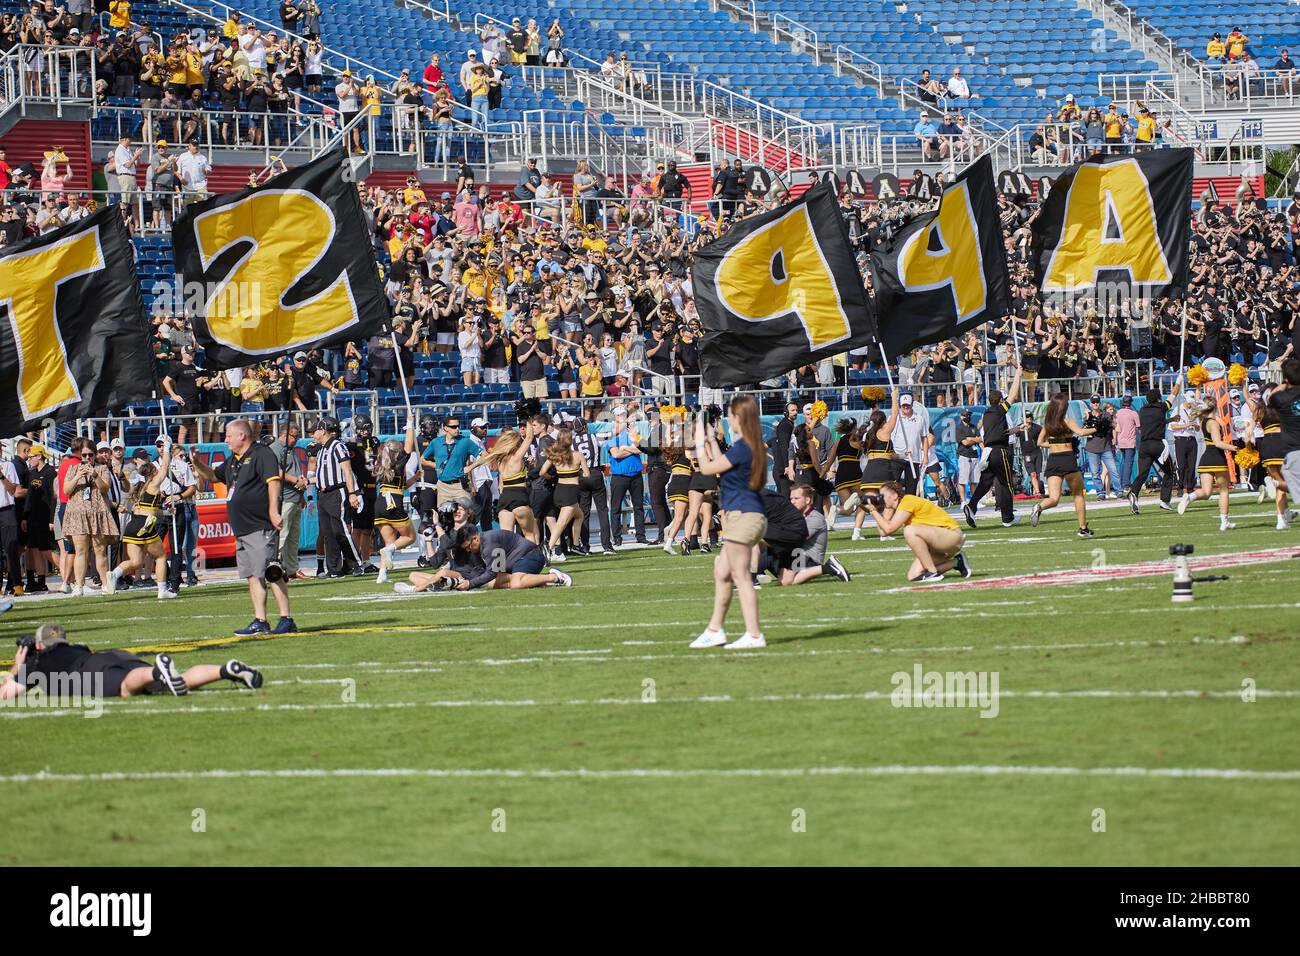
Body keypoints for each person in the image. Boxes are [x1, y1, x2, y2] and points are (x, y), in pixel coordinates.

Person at [192, 419, 295, 635]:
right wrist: (197, 462)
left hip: (260, 524)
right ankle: (260, 620)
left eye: (229, 436)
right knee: (252, 575)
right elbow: (212, 476)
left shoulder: (262, 454)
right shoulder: (233, 460)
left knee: (271, 571)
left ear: (242, 436)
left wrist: (273, 511)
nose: (226, 440)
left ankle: (286, 619)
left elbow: (273, 481)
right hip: (242, 528)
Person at [1, 623, 261, 702]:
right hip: (110, 656)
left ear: (38, 645)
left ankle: (157, 671)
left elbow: (7, 694)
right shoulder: (76, 647)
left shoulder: (39, 664)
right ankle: (225, 670)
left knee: (127, 687)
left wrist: (19, 664)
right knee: (175, 682)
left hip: (89, 670)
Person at [690, 396, 768, 649]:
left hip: (742, 516)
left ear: (738, 418)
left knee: (741, 576)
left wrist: (700, 443)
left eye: (730, 415)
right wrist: (711, 439)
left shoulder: (744, 447)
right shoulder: (748, 446)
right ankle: (715, 630)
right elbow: (724, 467)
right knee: (722, 572)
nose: (728, 420)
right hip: (747, 514)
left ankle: (754, 635)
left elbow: (708, 469)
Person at [105, 437, 177, 599]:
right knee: (160, 556)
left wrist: (166, 513)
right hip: (146, 525)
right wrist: (166, 448)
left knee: (136, 562)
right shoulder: (152, 485)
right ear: (152, 472)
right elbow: (165, 466)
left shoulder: (139, 488)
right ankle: (162, 590)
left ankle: (114, 575)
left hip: (134, 524)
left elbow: (150, 510)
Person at [863, 480, 970, 583]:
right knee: (914, 575)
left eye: (883, 496)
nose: (880, 499)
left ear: (895, 495)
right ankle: (957, 562)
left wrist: (873, 511)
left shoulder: (907, 501)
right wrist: (874, 511)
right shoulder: (902, 506)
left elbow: (889, 529)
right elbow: (883, 532)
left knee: (910, 530)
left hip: (951, 535)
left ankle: (932, 572)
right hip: (939, 541)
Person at [963, 359, 1022, 528]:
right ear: (1000, 401)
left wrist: (1018, 428)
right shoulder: (998, 410)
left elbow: (1002, 432)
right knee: (1006, 483)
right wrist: (1017, 375)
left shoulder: (988, 414)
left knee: (985, 482)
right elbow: (1013, 395)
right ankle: (1007, 517)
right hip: (1000, 451)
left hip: (988, 452)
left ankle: (971, 506)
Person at [1029, 392, 1096, 537]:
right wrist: (1098, 428)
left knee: (1054, 498)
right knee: (1078, 494)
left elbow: (1039, 442)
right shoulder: (1068, 421)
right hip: (1067, 459)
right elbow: (1082, 432)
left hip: (1053, 460)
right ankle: (1083, 528)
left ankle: (1039, 506)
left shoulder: (1048, 424)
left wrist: (1053, 445)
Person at [759, 484, 851, 586]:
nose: (792, 501)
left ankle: (827, 567)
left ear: (807, 500)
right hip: (794, 555)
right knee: (785, 581)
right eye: (791, 498)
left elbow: (795, 538)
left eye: (796, 498)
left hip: (808, 559)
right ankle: (755, 574)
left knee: (765, 547)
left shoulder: (815, 518)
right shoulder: (792, 518)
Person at [1177, 399, 1240, 531]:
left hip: (1205, 459)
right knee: (1224, 491)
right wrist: (1234, 448)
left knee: (1206, 492)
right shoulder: (1213, 423)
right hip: (1217, 459)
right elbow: (1218, 443)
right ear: (1215, 407)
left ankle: (1190, 496)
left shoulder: (1203, 421)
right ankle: (1224, 522)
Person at [448, 526, 571, 590]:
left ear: (475, 538)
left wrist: (470, 584)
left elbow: (492, 572)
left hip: (531, 555)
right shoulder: (480, 545)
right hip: (517, 562)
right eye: (466, 549)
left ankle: (555, 577)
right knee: (492, 584)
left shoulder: (489, 542)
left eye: (469, 546)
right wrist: (462, 579)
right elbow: (486, 571)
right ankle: (535, 581)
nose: (469, 550)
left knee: (516, 584)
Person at [1127, 384, 1179, 514]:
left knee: (1142, 474)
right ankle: (1165, 501)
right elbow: (1174, 394)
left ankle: (1133, 492)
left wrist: (1170, 420)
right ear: (1159, 399)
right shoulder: (1161, 408)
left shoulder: (1142, 411)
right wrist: (1179, 381)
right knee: (1169, 471)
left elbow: (1155, 422)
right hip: (1158, 446)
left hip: (1144, 446)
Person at [538, 431, 588, 562]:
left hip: (559, 490)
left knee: (579, 515)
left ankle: (576, 545)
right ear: (570, 441)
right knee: (561, 523)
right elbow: (587, 475)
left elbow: (542, 472)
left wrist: (552, 477)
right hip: (571, 492)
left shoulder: (555, 456)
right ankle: (548, 548)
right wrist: (579, 472)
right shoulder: (578, 455)